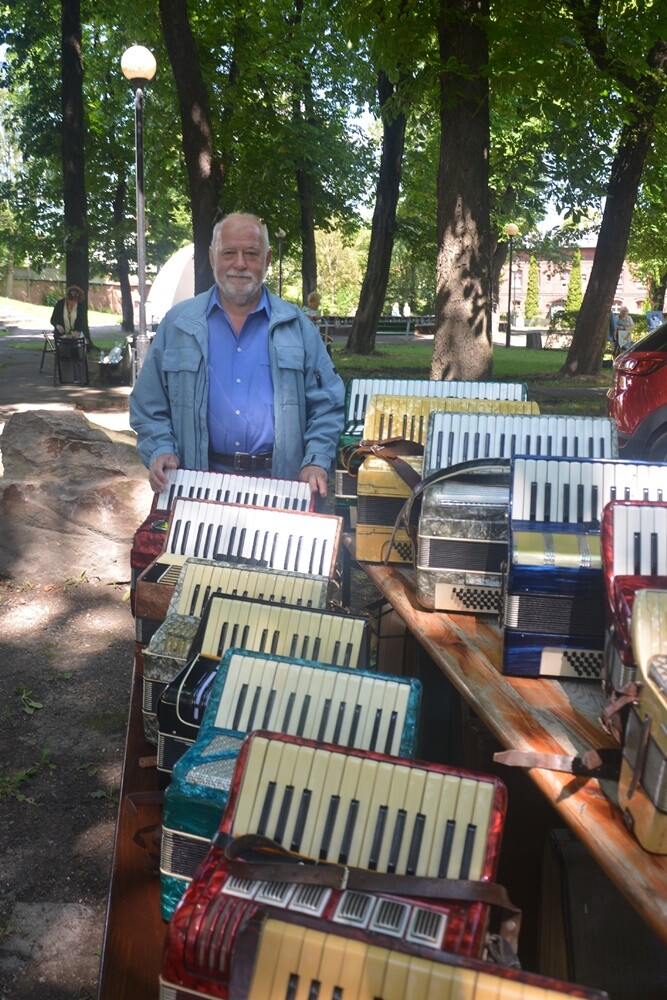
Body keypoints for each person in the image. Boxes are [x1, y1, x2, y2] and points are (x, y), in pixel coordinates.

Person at [129, 213, 345, 503]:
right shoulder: (179, 325)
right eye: (229, 253)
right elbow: (148, 403)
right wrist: (160, 448)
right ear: (212, 257)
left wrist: (316, 459)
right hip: (197, 485)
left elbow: (327, 405)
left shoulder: (297, 327)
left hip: (280, 486)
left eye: (251, 254)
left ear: (267, 259)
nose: (240, 264)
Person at [50, 285, 94, 352]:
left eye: (75, 300)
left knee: (80, 348)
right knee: (63, 353)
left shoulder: (80, 306)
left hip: (75, 337)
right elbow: (53, 320)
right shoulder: (60, 304)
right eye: (71, 300)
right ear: (67, 298)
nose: (72, 302)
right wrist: (58, 326)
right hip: (62, 336)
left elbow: (82, 322)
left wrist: (77, 331)